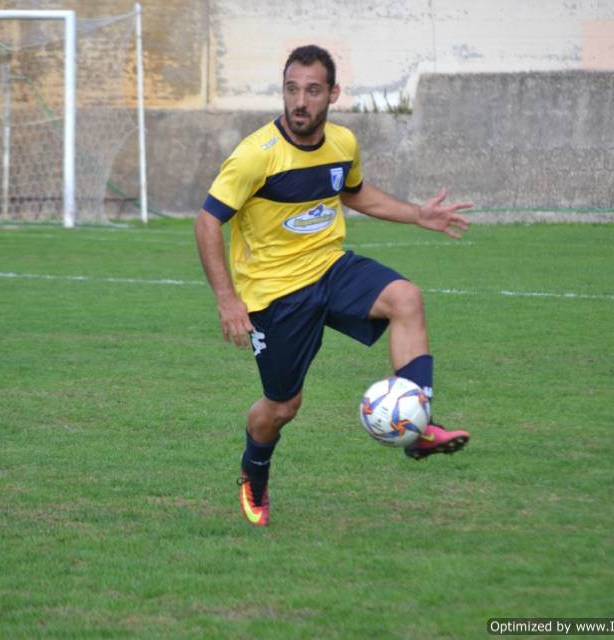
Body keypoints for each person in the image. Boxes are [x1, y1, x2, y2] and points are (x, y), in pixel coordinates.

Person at [194, 44, 472, 527]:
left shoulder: (342, 143)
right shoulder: (255, 156)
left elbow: (355, 192)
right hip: (275, 293)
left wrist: (417, 214)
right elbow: (206, 221)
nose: (300, 102)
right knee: (282, 407)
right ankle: (253, 473)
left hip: (329, 265)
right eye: (292, 89)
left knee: (406, 298)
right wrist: (227, 299)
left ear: (333, 94)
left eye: (313, 91)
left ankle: (417, 426)